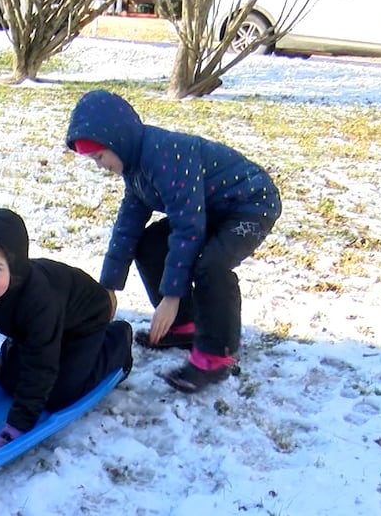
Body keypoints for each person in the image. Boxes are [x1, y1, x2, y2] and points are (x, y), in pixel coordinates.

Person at [64, 89, 281, 393]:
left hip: (250, 205)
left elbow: (188, 229)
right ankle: (185, 325)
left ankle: (217, 354)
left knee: (211, 265)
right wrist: (108, 288)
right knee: (149, 241)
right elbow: (128, 227)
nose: (100, 166)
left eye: (99, 156)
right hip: (210, 208)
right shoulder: (136, 168)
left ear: (118, 141)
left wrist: (171, 296)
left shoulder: (166, 157)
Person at [0, 208, 133, 457]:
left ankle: (117, 340)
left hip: (83, 321)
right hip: (41, 329)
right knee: (7, 379)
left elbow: (41, 366)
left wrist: (12, 432)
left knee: (59, 396)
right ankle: (22, 346)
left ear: (15, 267)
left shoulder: (38, 300)